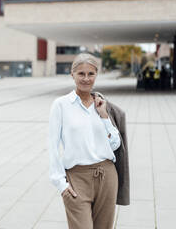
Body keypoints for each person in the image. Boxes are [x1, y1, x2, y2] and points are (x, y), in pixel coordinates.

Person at [48, 53, 129, 229]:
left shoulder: (103, 105)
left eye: (90, 74)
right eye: (81, 74)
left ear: (96, 75)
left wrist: (105, 116)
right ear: (72, 75)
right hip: (77, 178)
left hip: (107, 176)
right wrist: (60, 183)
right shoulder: (61, 105)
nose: (86, 79)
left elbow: (115, 145)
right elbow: (52, 146)